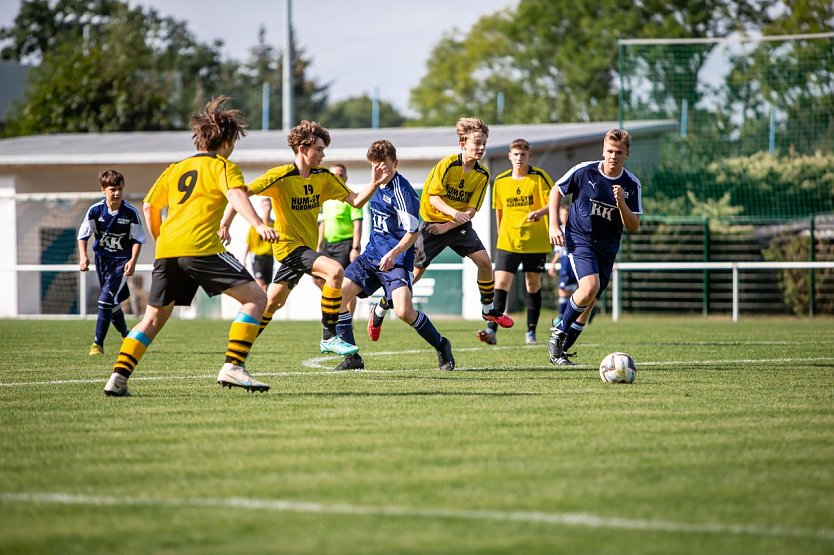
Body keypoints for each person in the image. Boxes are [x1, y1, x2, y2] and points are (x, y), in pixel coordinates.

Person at [103, 96, 278, 397]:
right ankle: (233, 366)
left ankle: (117, 378)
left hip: (168, 250)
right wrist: (259, 224)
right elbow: (236, 196)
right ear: (226, 141)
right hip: (202, 246)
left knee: (152, 319)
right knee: (256, 299)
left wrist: (162, 240)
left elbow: (149, 206)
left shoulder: (175, 168)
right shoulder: (223, 166)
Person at [223, 120, 390, 356]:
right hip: (288, 248)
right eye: (319, 149)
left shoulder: (324, 177)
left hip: (305, 249)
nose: (323, 155)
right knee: (335, 271)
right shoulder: (281, 176)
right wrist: (227, 223)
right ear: (303, 149)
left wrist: (374, 182)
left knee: (272, 303)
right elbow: (238, 194)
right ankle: (329, 337)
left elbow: (356, 201)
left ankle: (238, 346)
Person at [368, 117, 513, 339]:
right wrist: (452, 216)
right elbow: (433, 198)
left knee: (485, 262)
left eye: (484, 143)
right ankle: (380, 308)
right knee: (412, 277)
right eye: (477, 142)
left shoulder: (482, 175)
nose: (481, 147)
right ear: (463, 144)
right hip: (430, 224)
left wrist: (449, 225)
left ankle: (488, 310)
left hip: (455, 225)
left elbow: (471, 210)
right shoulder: (447, 164)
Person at [333, 140, 455, 371]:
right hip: (370, 257)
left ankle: (441, 344)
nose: (380, 171)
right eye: (375, 166)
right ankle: (352, 358)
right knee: (337, 296)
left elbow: (413, 232)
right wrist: (373, 181)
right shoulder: (375, 185)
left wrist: (393, 253)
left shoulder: (403, 191)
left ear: (395, 164)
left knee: (403, 312)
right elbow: (357, 202)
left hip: (396, 260)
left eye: (385, 166)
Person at [547, 128, 642, 365]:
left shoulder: (631, 184)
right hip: (580, 238)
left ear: (627, 155)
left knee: (589, 302)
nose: (613, 156)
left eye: (618, 152)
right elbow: (556, 191)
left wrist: (621, 203)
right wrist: (553, 226)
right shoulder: (584, 170)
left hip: (608, 246)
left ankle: (560, 352)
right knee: (589, 287)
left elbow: (634, 226)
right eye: (609, 151)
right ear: (603, 150)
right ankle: (559, 331)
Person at [476, 139, 553, 347]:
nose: (519, 158)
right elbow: (499, 211)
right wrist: (501, 234)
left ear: (529, 156)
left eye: (523, 154)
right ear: (509, 156)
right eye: (516, 154)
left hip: (535, 241)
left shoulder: (539, 177)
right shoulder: (500, 181)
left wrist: (540, 212)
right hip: (508, 242)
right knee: (500, 284)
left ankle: (531, 332)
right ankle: (491, 330)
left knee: (532, 285)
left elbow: (553, 203)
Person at [78, 170, 146, 356]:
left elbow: (138, 239)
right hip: (102, 261)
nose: (116, 193)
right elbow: (83, 235)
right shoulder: (95, 211)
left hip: (121, 262)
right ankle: (127, 335)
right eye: (112, 189)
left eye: (119, 189)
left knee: (105, 299)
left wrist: (133, 261)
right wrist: (83, 256)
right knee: (112, 303)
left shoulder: (130, 212)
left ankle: (97, 344)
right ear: (103, 190)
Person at [313, 163, 363, 314]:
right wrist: (318, 246)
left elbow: (357, 224)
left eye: (341, 175)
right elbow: (323, 223)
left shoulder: (352, 198)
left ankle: (347, 319)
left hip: (345, 245)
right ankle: (333, 307)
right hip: (327, 246)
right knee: (318, 278)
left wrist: (355, 248)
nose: (338, 178)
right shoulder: (326, 198)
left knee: (346, 283)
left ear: (346, 177)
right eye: (334, 175)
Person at [548, 203, 578, 323]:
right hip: (565, 262)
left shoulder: (575, 228)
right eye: (561, 214)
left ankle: (563, 316)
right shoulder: (559, 229)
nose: (563, 217)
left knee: (569, 290)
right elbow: (558, 252)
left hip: (573, 262)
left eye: (566, 214)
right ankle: (565, 316)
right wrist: (552, 264)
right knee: (565, 290)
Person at [244, 197, 275, 292]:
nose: (267, 208)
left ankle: (263, 301)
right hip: (258, 258)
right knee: (260, 284)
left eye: (269, 205)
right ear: (261, 207)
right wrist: (244, 259)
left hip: (269, 258)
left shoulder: (274, 225)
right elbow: (249, 243)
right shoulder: (256, 225)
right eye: (265, 205)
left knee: (266, 286)